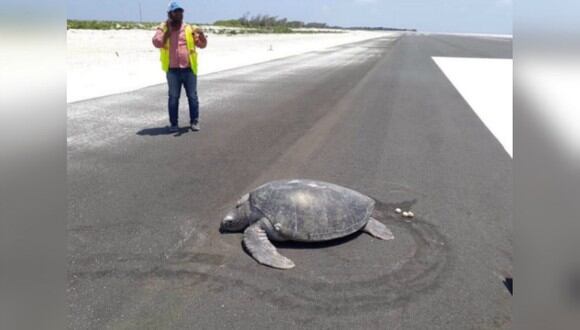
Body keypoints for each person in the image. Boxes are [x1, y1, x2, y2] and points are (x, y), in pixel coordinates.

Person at [152, 1, 207, 132]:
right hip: (172, 71)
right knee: (173, 98)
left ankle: (194, 121)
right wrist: (167, 33)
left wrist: (202, 34)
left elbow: (202, 45)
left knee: (192, 96)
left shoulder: (189, 28)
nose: (179, 14)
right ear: (170, 14)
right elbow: (156, 42)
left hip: (189, 69)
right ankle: (173, 124)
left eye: (181, 12)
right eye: (176, 12)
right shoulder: (163, 28)